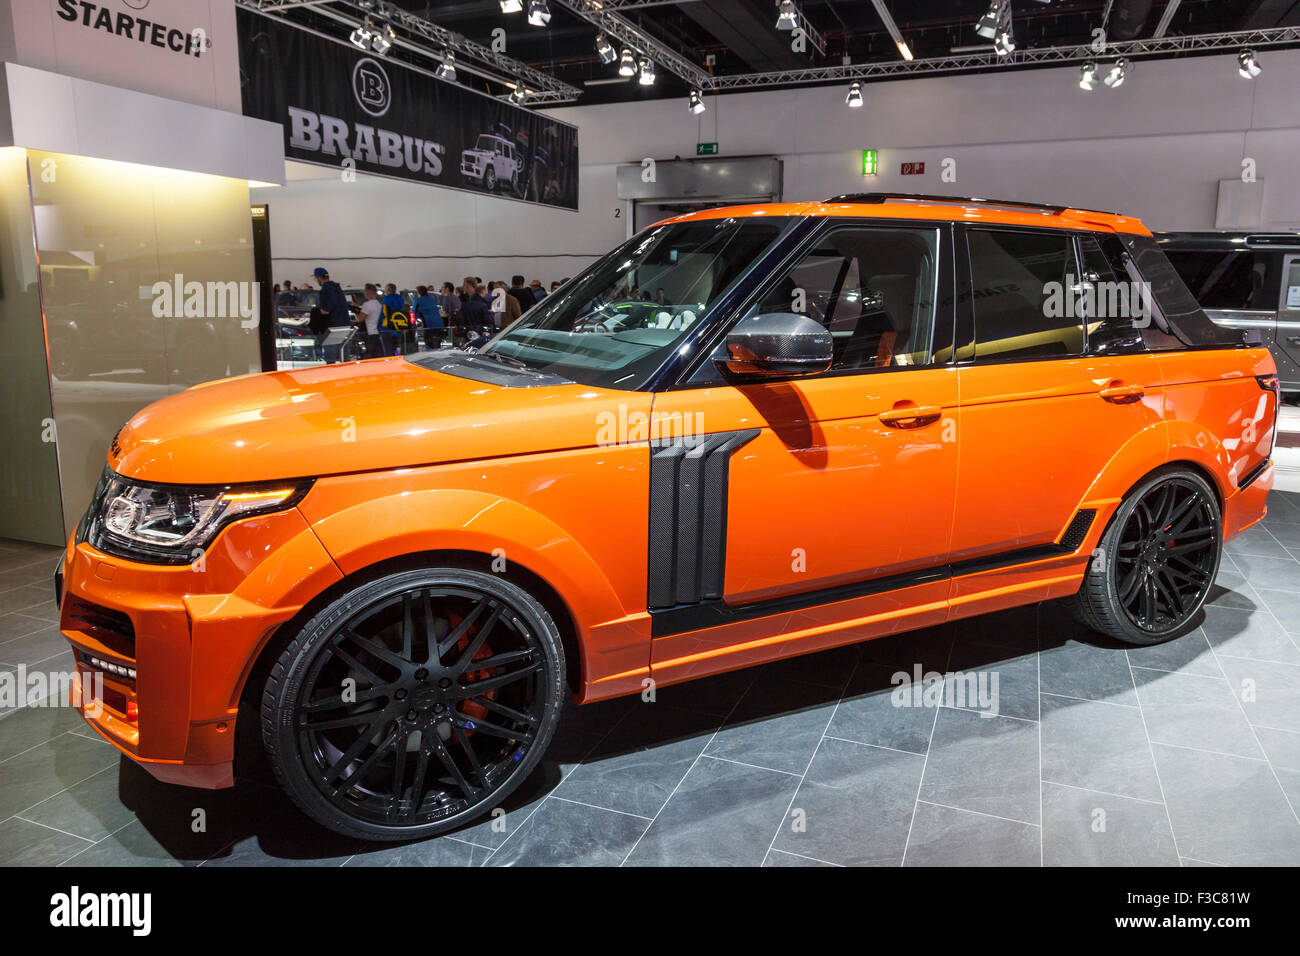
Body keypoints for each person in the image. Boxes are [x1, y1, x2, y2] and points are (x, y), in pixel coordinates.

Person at [314, 267, 351, 364]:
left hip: (333, 328)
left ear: (318, 278)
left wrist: (316, 312)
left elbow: (325, 310)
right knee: (345, 358)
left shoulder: (325, 290)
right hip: (346, 326)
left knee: (331, 360)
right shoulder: (338, 288)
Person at [414, 285, 444, 349]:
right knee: (437, 346)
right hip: (439, 324)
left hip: (428, 325)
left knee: (429, 346)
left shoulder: (417, 300)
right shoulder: (431, 300)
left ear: (418, 293)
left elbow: (415, 313)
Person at [358, 283, 384, 357]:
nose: (364, 293)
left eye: (365, 291)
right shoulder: (379, 304)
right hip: (379, 332)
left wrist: (355, 310)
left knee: (371, 355)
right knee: (379, 355)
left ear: (369, 291)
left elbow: (360, 319)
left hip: (371, 334)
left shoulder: (367, 304)